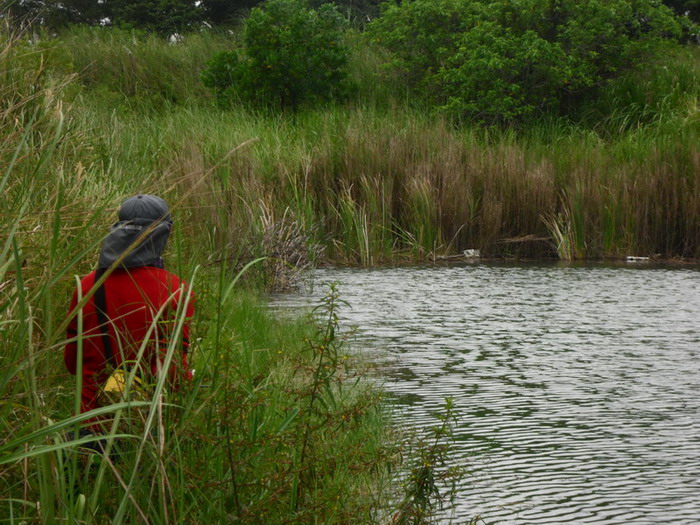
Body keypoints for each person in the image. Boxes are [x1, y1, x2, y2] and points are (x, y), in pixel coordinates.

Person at [64, 194, 194, 431]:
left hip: (89, 425)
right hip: (146, 428)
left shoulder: (86, 286)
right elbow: (171, 373)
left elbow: (72, 364)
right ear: (162, 234)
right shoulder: (176, 289)